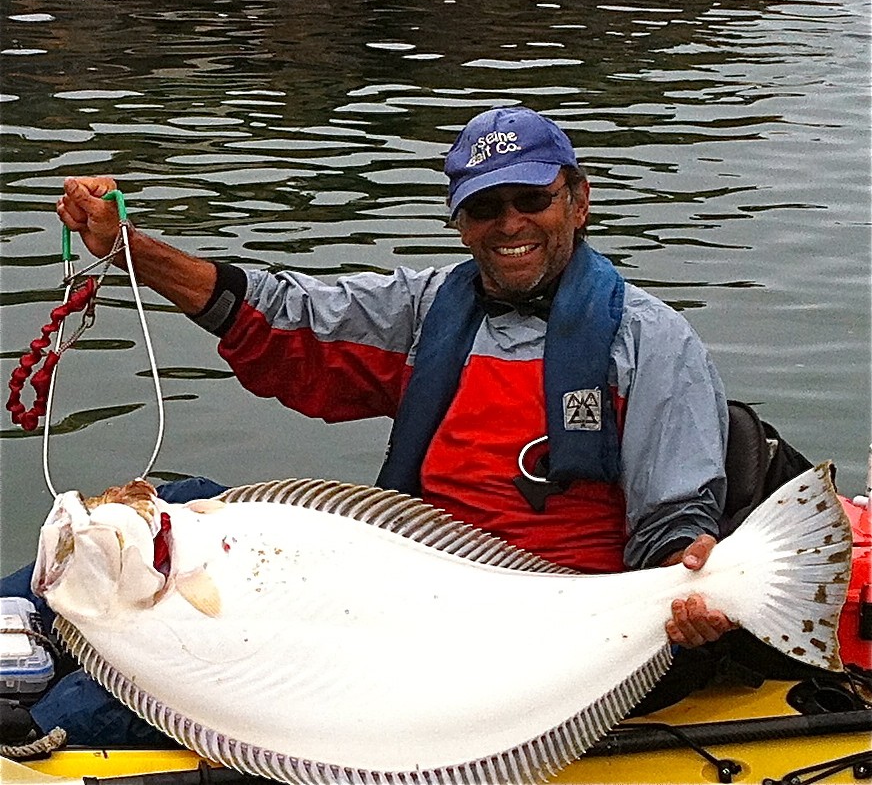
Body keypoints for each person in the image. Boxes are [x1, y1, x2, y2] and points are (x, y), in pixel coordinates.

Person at [4, 106, 734, 746]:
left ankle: (41, 726)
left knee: (133, 684)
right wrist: (131, 248)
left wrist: (697, 589)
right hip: (406, 581)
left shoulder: (651, 342)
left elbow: (676, 527)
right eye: (486, 208)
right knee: (156, 516)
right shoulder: (427, 311)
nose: (510, 224)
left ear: (578, 201)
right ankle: (15, 623)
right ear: (459, 220)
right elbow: (282, 316)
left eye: (532, 199)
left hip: (535, 629)